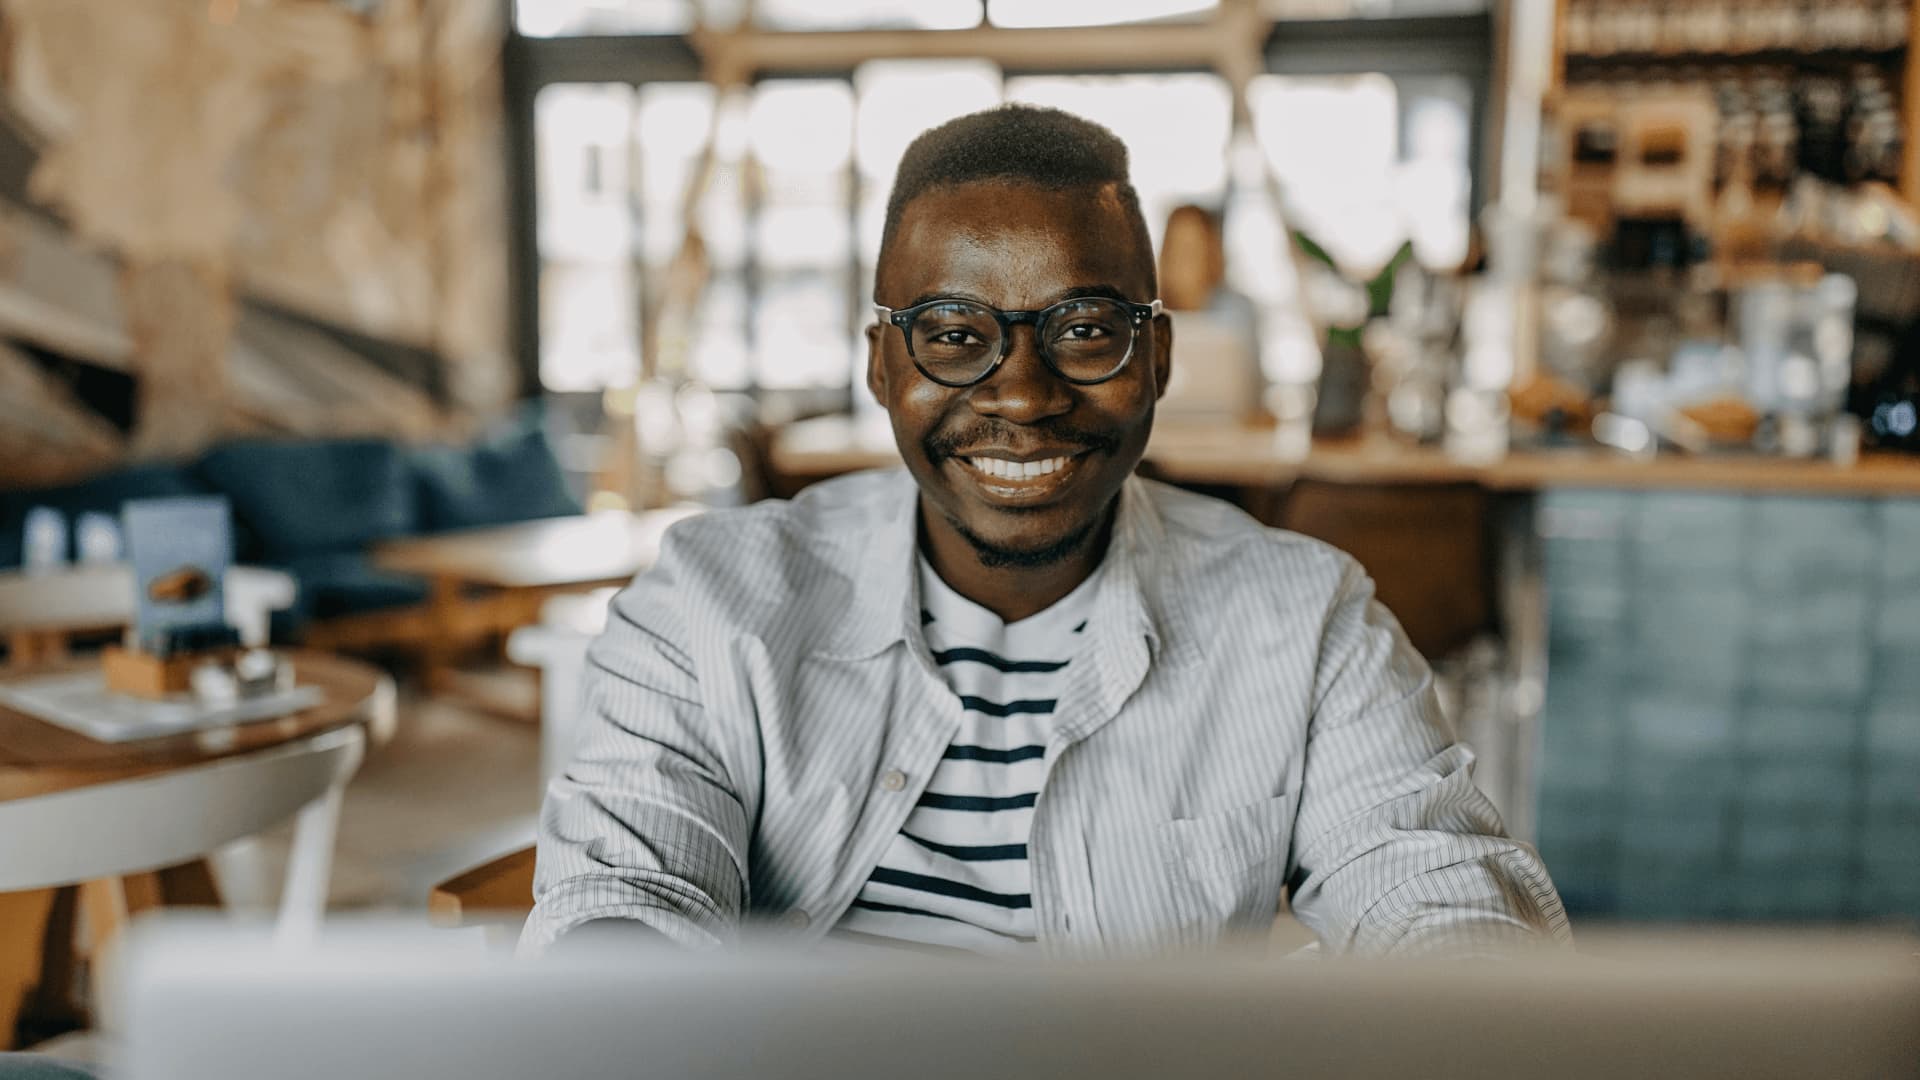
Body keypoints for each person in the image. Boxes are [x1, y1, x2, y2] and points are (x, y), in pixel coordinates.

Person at [526, 105, 1568, 957]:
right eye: (952, 335)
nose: (1020, 395)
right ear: (882, 366)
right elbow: (625, 894)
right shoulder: (708, 606)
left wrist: (1464, 987)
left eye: (1083, 331)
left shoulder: (1303, 618)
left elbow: (1434, 882)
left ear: (1157, 357)